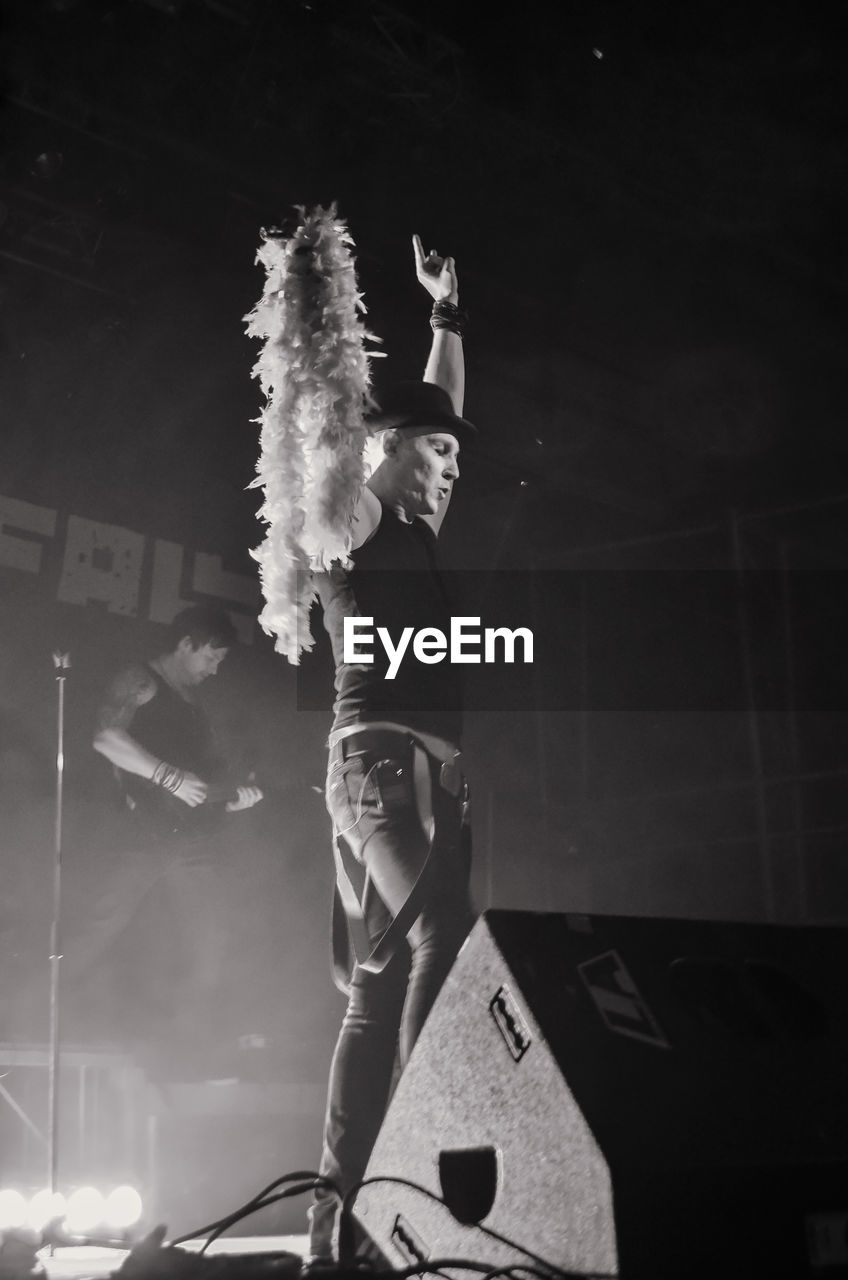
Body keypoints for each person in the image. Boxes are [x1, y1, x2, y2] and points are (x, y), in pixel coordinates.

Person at [308, 236, 477, 1259]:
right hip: (379, 759)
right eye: (437, 452)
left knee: (374, 993)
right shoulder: (363, 516)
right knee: (438, 938)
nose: (453, 464)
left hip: (407, 767)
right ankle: (413, 1174)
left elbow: (439, 413)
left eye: (456, 457)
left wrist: (447, 322)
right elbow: (376, 441)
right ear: (388, 453)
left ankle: (333, 1234)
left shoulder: (412, 527)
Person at [70, 604, 262, 1071]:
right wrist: (167, 776)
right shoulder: (141, 680)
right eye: (211, 657)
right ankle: (41, 1008)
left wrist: (229, 799)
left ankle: (192, 1048)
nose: (215, 668)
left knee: (211, 937)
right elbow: (105, 739)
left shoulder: (192, 703)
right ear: (185, 644)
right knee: (100, 920)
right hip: (138, 829)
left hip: (189, 838)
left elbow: (199, 778)